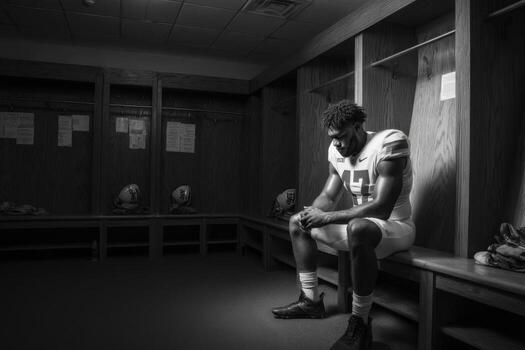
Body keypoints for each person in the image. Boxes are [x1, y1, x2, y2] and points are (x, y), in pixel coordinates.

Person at [271, 100, 415, 350]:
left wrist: (327, 218)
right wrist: (313, 212)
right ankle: (310, 301)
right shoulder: (336, 151)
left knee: (358, 227)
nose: (336, 143)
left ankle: (360, 321)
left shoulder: (389, 142)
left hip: (394, 228)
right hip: (358, 229)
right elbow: (328, 197)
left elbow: (382, 208)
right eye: (332, 138)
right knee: (298, 222)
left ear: (358, 127)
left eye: (341, 137)